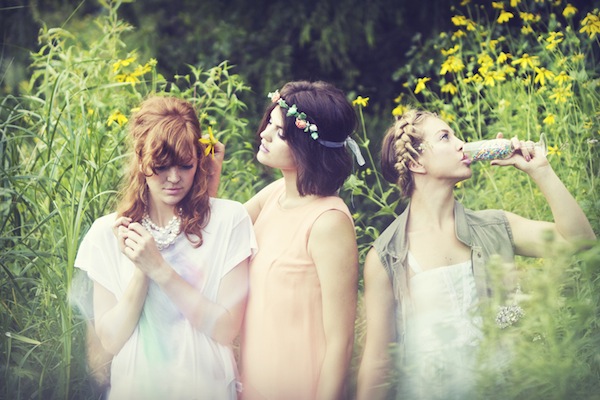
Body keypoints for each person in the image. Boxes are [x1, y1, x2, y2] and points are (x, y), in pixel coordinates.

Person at [356, 109, 596, 400]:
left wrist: (541, 170)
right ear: (416, 162)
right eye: (445, 137)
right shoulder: (386, 256)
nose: (462, 144)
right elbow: (378, 361)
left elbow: (580, 243)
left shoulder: (495, 226)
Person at [74, 96, 257, 400]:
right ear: (140, 159)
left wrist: (160, 268)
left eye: (185, 165)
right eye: (161, 166)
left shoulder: (229, 220)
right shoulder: (107, 233)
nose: (174, 178)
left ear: (199, 159)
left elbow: (226, 329)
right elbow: (111, 341)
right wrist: (142, 270)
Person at [218, 80, 363, 400]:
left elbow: (340, 342)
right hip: (253, 386)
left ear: (307, 146)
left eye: (280, 133)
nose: (264, 134)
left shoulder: (328, 222)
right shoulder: (275, 195)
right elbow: (216, 236)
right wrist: (210, 174)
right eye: (269, 123)